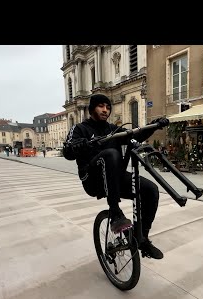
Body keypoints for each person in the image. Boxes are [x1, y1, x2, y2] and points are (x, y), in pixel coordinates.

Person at [63, 94, 169, 259]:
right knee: (111, 154)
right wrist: (76, 146)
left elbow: (135, 135)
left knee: (151, 190)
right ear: (91, 109)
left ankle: (142, 237)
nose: (105, 110)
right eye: (100, 106)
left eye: (107, 107)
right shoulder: (80, 129)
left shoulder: (113, 129)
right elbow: (67, 152)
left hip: (116, 179)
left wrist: (154, 126)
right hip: (93, 180)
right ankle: (115, 211)